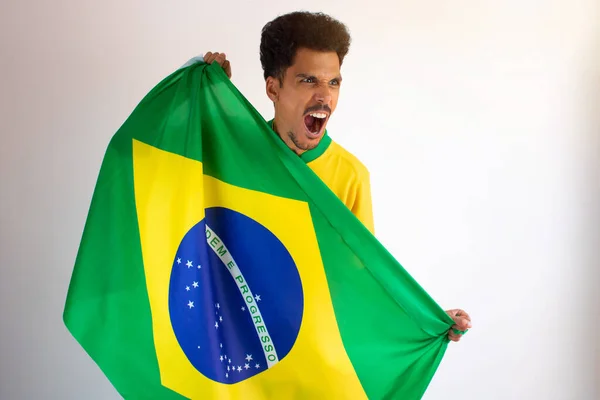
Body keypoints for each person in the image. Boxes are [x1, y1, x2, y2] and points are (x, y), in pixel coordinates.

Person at [202, 11, 471, 342]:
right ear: (273, 88)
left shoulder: (350, 176)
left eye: (333, 82)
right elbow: (167, 160)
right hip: (236, 338)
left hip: (308, 350)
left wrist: (424, 321)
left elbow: (362, 285)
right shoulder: (234, 151)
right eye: (308, 80)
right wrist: (203, 95)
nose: (324, 96)